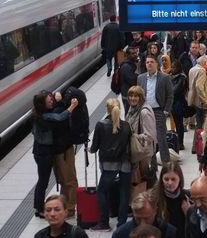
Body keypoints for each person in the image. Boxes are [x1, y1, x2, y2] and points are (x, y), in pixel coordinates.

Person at [32, 91, 80, 219]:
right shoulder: (44, 117)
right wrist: (72, 106)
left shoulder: (39, 114)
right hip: (44, 153)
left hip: (42, 152)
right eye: (49, 101)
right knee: (43, 181)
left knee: (43, 181)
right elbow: (59, 117)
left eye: (52, 99)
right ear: (42, 104)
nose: (52, 101)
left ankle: (38, 206)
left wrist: (58, 100)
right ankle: (40, 209)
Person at [89, 97, 133, 230]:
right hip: (125, 163)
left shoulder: (101, 125)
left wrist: (91, 149)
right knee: (124, 192)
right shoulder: (126, 125)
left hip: (109, 164)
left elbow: (94, 147)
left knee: (102, 191)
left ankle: (103, 222)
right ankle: (122, 223)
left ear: (107, 109)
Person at [139, 54, 175, 166]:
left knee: (161, 137)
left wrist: (166, 111)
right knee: (148, 139)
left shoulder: (164, 78)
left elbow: (170, 95)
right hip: (146, 111)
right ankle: (152, 164)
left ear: (156, 64)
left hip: (159, 111)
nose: (149, 64)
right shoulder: (140, 78)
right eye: (147, 62)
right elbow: (138, 95)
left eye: (151, 62)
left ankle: (166, 163)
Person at [51, 91, 79, 218]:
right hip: (60, 150)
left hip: (64, 150)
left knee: (69, 180)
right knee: (65, 180)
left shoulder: (57, 112)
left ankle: (70, 207)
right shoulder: (53, 112)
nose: (51, 101)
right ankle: (66, 205)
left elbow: (60, 117)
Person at [126, 86, 158, 195]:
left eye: (135, 96)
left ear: (141, 98)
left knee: (147, 180)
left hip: (144, 154)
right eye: (130, 95)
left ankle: (151, 204)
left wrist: (134, 137)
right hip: (138, 153)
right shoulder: (132, 110)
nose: (132, 98)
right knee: (141, 180)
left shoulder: (144, 112)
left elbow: (150, 136)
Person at [153, 163, 191, 238]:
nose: (170, 183)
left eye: (173, 179)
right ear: (161, 179)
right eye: (166, 179)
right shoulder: (155, 197)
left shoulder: (187, 197)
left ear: (180, 179)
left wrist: (189, 213)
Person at [188, 55, 207, 128]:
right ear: (204, 62)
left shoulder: (192, 69)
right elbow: (199, 86)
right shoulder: (201, 70)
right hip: (201, 102)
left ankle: (197, 138)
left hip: (194, 100)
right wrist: (205, 100)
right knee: (203, 124)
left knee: (198, 123)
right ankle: (201, 139)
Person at [170, 60, 188, 151]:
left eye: (174, 67)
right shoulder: (170, 76)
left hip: (178, 103)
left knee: (179, 124)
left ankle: (180, 143)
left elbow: (175, 91)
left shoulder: (182, 78)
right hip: (172, 103)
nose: (172, 69)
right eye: (172, 67)